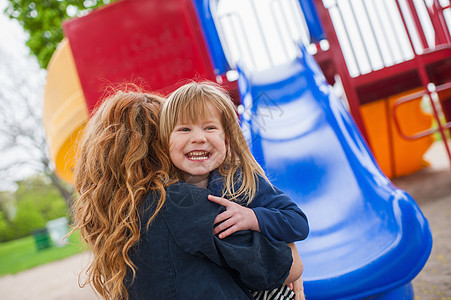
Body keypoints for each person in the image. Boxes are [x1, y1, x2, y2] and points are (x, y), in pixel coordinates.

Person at [70, 89, 302, 300]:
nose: (195, 139)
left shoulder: (121, 217)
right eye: (180, 130)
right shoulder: (179, 202)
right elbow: (288, 267)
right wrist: (284, 244)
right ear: (158, 144)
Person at [159, 81, 309, 299]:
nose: (199, 137)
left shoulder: (240, 181)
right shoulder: (165, 194)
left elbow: (298, 222)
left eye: (210, 128)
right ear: (165, 141)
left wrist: (253, 217)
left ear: (227, 140)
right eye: (184, 129)